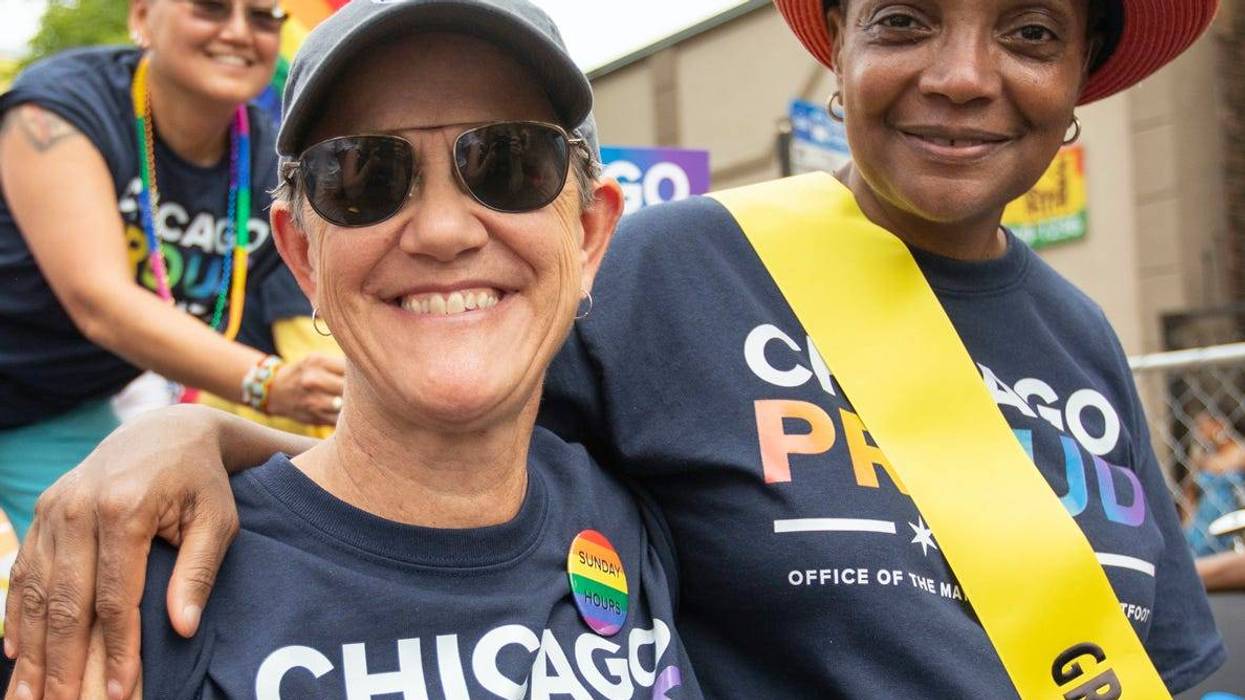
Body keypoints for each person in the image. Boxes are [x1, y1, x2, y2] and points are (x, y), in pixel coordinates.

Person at [3, 0, 1228, 698]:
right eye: (906, 17)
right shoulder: (685, 270)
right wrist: (197, 438)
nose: (962, 77)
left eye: (1030, 32)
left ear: (1080, 82)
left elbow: (1167, 659)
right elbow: (435, 450)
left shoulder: (1082, 336)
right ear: (839, 46)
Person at [7, 0, 705, 698]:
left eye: (510, 164)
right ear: (301, 255)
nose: (442, 231)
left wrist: (212, 432)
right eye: (364, 177)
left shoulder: (656, 509)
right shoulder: (139, 600)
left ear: (588, 233)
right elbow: (97, 298)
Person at [0, 0, 347, 539]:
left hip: (54, 409)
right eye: (210, 9)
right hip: (46, 389)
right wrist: (271, 382)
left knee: (115, 561)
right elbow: (98, 302)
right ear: (142, 18)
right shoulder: (59, 109)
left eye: (262, 17)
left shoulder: (269, 161)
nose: (238, 32)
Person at [1186, 410, 1245, 555]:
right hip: (1203, 520)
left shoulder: (1240, 452)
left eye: (1202, 427)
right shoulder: (1203, 459)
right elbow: (1190, 491)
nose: (1198, 433)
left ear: (1218, 424)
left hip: (1231, 519)